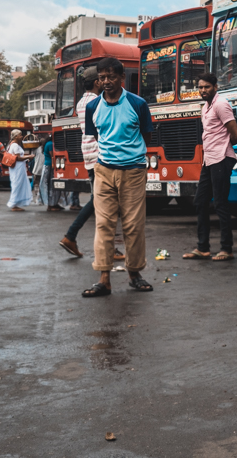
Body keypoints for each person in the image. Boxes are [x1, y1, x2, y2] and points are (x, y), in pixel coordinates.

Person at [81, 57, 155, 297]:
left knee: (133, 226)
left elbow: (147, 137)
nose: (106, 82)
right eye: (101, 78)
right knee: (104, 225)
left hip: (133, 172)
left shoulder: (137, 104)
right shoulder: (93, 107)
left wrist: (132, 157)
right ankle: (104, 279)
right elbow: (97, 137)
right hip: (104, 170)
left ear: (122, 78)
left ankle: (134, 273)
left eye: (111, 77)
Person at [61, 67, 123, 259]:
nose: (106, 82)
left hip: (89, 155)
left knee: (102, 202)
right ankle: (72, 235)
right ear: (96, 82)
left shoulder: (81, 102)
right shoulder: (98, 102)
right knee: (103, 202)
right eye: (102, 79)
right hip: (101, 155)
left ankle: (103, 245)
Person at [182, 72, 237, 262]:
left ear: (215, 87)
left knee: (221, 203)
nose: (202, 90)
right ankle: (203, 248)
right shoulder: (205, 107)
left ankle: (226, 248)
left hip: (221, 158)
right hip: (209, 160)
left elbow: (236, 134)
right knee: (200, 202)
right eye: (200, 87)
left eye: (206, 87)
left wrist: (225, 147)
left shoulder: (221, 104)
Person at [6, 129, 32, 211]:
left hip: (16, 168)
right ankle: (14, 204)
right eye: (20, 135)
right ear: (16, 136)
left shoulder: (11, 145)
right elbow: (18, 158)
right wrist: (29, 156)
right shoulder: (15, 146)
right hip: (18, 168)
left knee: (17, 184)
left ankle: (16, 203)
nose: (22, 137)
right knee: (17, 185)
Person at [40, 136, 53, 208]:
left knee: (47, 185)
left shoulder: (47, 143)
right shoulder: (51, 144)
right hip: (50, 165)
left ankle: (51, 204)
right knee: (51, 185)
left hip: (46, 165)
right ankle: (51, 205)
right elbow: (53, 156)